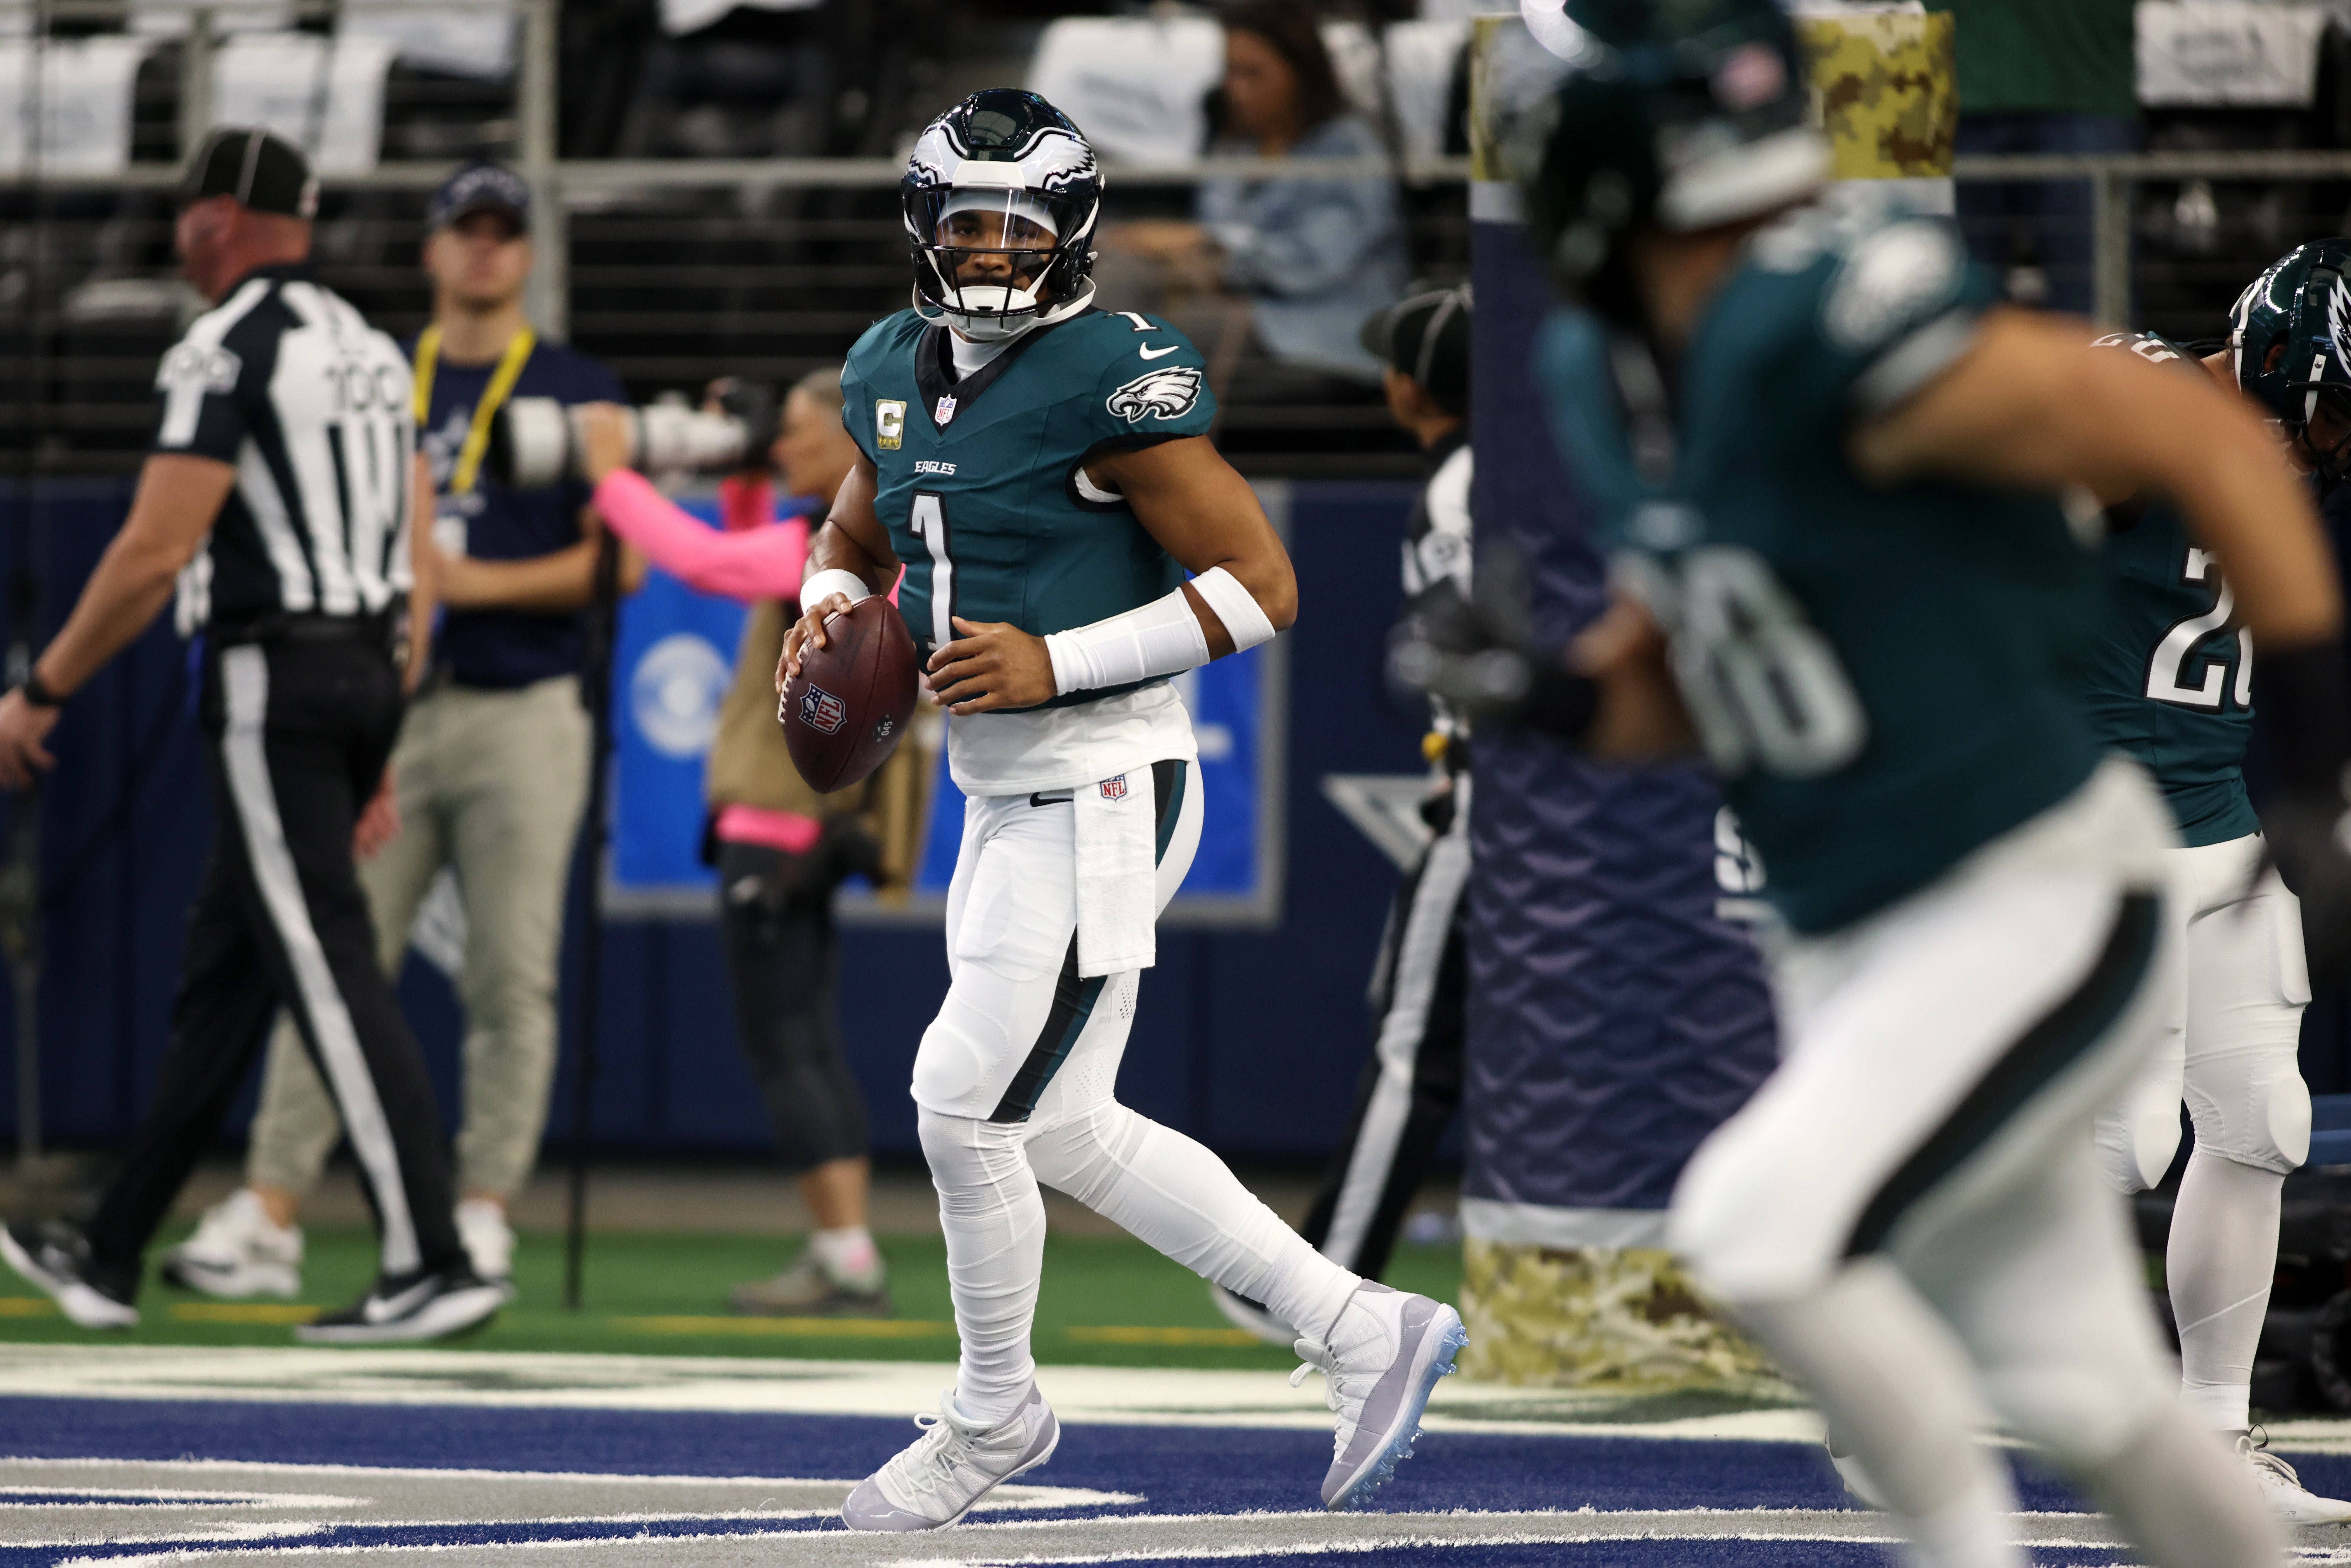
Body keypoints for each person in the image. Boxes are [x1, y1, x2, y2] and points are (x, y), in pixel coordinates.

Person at [1407, 2, 2351, 1562]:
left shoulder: (1816, 316)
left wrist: (2309, 737)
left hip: (2033, 878)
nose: (1767, 249)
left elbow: (2198, 434)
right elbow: (1685, 661)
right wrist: (1548, 693)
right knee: (2088, 1391)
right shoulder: (1601, 372)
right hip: (1863, 903)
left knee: (1757, 1225)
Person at [783, 89, 1466, 1530]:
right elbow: (853, 529)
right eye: (965, 221)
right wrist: (828, 608)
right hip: (995, 794)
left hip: (1104, 780)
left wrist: (1053, 660)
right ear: (921, 224)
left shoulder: (1111, 372)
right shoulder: (886, 367)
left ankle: (992, 1415)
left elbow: (1260, 588)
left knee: (959, 1106)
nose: (987, 250)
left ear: (1071, 235)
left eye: (1016, 226)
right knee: (1065, 1129)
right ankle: (1359, 1328)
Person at [0, 128, 506, 1343]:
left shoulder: (224, 345)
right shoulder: (375, 348)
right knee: (227, 972)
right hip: (365, 662)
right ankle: (111, 1245)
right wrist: (381, 723)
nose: (179, 235)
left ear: (215, 218)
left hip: (273, 676)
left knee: (324, 957)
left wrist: (46, 686)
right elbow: (412, 551)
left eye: (185, 215)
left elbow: (156, 547)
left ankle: (433, 1255)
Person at [156, 160, 640, 1301]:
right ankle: (271, 1205)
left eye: (502, 233)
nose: (482, 250)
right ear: (430, 249)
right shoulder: (374, 370)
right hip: (384, 706)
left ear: (529, 254)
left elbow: (610, 558)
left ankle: (478, 1215)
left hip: (521, 706)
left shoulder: (577, 387)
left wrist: (464, 585)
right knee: (331, 949)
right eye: (462, 230)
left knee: (510, 970)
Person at [2074, 251, 2351, 1524]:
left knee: (2261, 1124)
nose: (2338, 440)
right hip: (2086, 830)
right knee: (2110, 1141)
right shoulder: (2137, 404)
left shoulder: (2274, 459)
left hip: (2223, 831)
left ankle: (2213, 1437)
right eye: (2336, 404)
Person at [574, 369, 899, 1318]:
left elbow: (715, 564)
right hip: (808, 827)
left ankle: (845, 1254)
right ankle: (845, 1247)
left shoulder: (831, 549)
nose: (789, 454)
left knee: (786, 1042)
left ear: (852, 446)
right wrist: (747, 461)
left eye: (803, 440)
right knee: (802, 1036)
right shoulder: (853, 542)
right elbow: (747, 547)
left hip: (778, 827)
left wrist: (609, 479)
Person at [1213, 284, 1473, 1345]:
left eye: (1393, 362)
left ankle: (1323, 1285)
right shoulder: (1486, 471)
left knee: (1414, 1048)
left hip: (1499, 807)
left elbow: (1483, 637)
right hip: (1529, 800)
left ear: (1416, 382)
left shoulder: (1464, 481)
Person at [1100, 0, 1406, 384]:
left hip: (1319, 319)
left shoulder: (1348, 148)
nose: (1237, 90)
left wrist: (1205, 241)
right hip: (1241, 299)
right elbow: (1219, 230)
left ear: (1300, 72)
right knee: (1116, 267)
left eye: (1253, 74)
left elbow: (1315, 260)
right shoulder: (1238, 145)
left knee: (1156, 337)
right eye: (1230, 72)